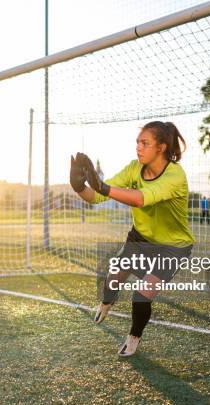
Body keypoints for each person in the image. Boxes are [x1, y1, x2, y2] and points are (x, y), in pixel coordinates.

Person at [69, 121, 195, 357]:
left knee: (142, 294)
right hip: (140, 239)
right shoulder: (132, 168)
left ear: (161, 147)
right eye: (137, 142)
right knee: (112, 277)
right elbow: (96, 197)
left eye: (145, 143)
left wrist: (102, 187)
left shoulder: (175, 175)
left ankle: (133, 338)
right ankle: (107, 302)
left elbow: (140, 198)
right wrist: (79, 187)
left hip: (173, 248)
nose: (138, 147)